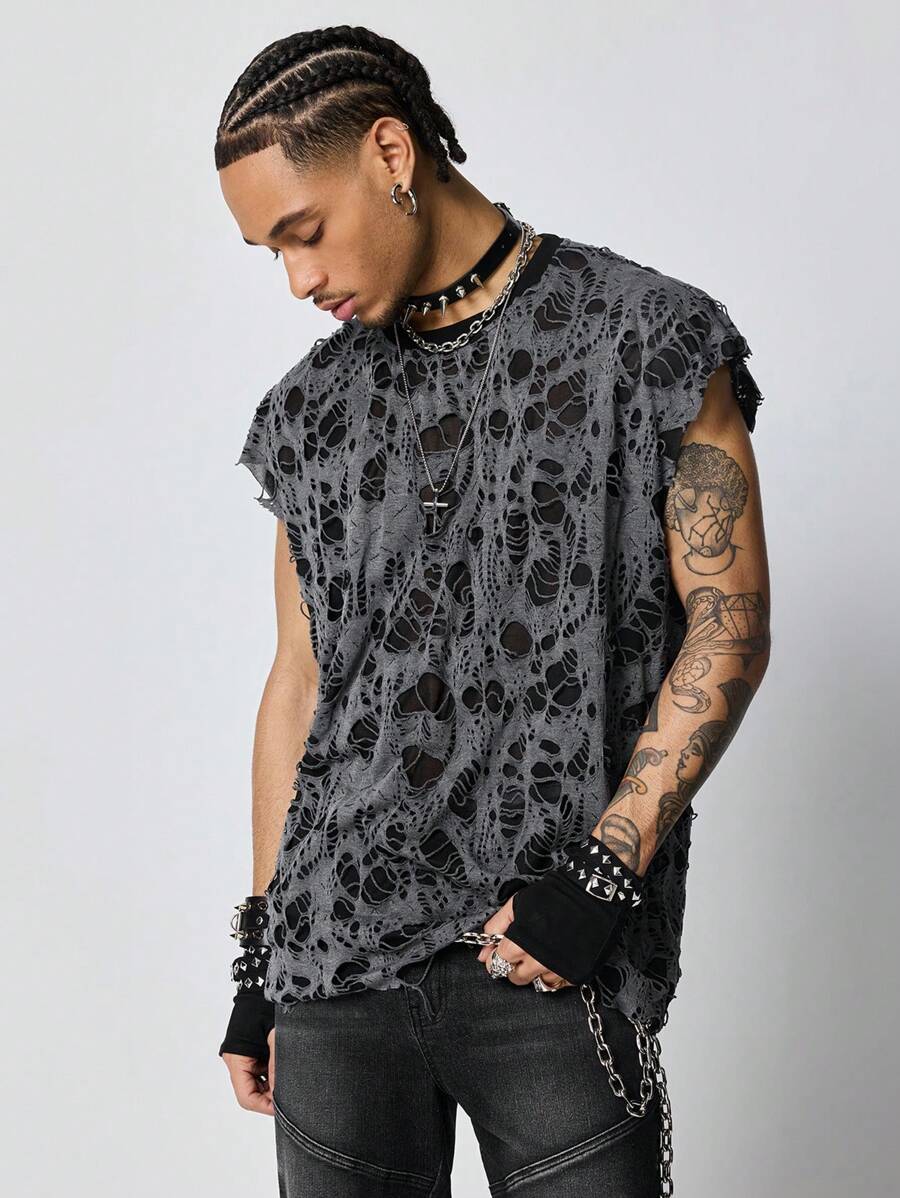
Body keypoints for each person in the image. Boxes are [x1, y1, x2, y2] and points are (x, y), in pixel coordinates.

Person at [214, 23, 771, 1198]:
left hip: (547, 958)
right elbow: (298, 681)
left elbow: (729, 621)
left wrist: (604, 874)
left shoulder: (645, 340)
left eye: (304, 232)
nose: (298, 280)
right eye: (271, 253)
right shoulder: (308, 415)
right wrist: (261, 960)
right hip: (333, 977)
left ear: (390, 153)